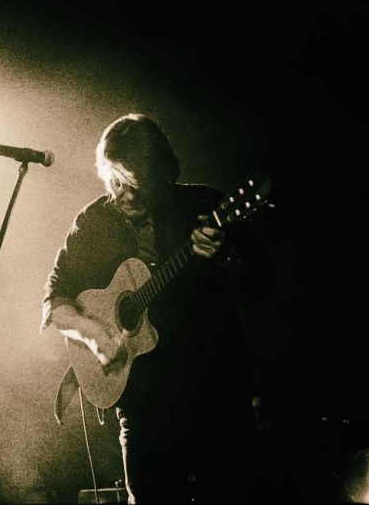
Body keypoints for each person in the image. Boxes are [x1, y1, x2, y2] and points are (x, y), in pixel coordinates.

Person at [42, 113, 274, 504]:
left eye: (136, 185)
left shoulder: (203, 204)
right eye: (115, 181)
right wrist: (93, 334)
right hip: (144, 411)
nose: (124, 196)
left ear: (162, 175)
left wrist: (224, 255)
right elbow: (56, 296)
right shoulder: (93, 222)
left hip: (216, 399)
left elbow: (260, 283)